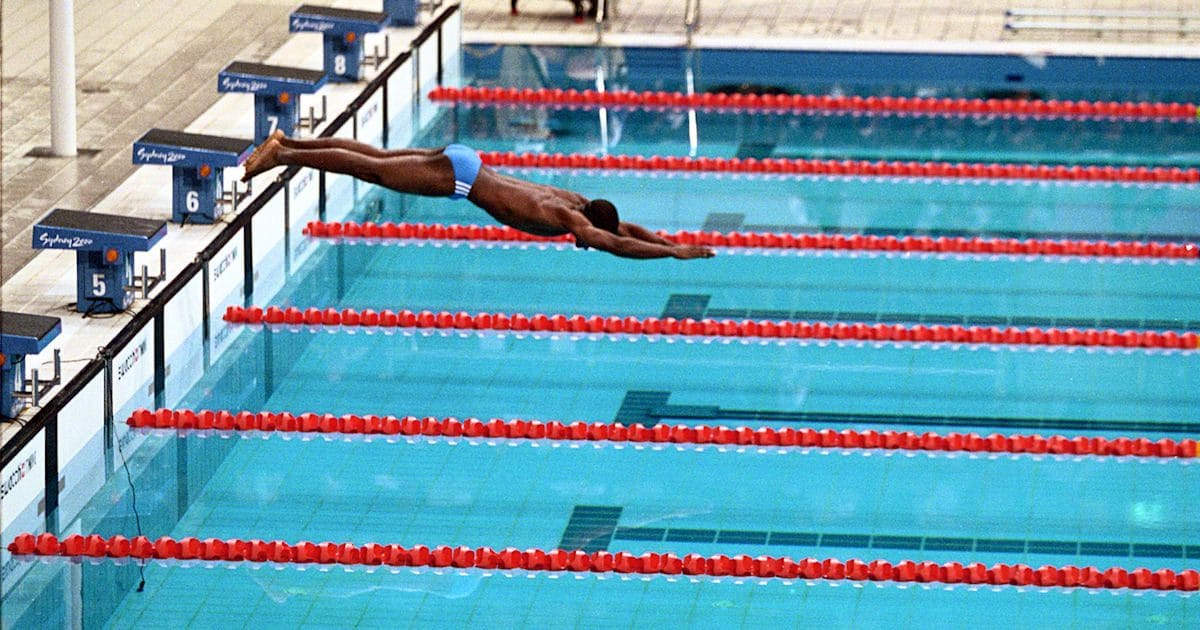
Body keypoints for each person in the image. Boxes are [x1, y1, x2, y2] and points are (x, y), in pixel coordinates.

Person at [241, 131, 715, 260]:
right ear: (588, 228)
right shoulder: (574, 221)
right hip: (462, 178)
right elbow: (618, 242)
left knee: (379, 159)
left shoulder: (576, 201)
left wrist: (674, 246)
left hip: (469, 160)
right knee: (375, 171)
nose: (586, 241)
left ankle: (289, 144)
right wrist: (671, 258)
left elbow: (625, 229)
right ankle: (283, 155)